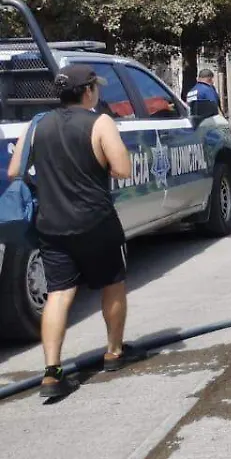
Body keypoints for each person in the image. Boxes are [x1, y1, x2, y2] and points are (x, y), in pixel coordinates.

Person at [6, 64, 144, 398]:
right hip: (96, 221)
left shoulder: (37, 125)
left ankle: (52, 373)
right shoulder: (100, 122)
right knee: (112, 284)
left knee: (59, 294)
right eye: (95, 87)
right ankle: (114, 352)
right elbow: (123, 169)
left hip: (52, 225)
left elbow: (14, 171)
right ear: (87, 91)